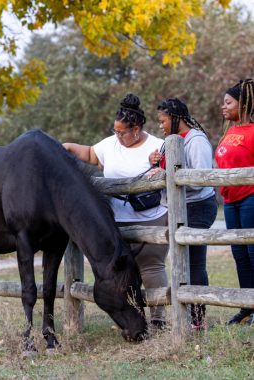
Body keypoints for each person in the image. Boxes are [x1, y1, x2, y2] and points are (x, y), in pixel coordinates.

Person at [63, 93, 169, 329]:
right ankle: (131, 315)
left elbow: (167, 172)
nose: (118, 136)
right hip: (116, 221)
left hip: (150, 218)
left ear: (137, 129)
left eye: (122, 132)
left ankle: (158, 317)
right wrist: (66, 148)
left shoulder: (157, 147)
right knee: (122, 274)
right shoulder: (111, 144)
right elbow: (91, 154)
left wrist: (159, 168)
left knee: (151, 267)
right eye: (116, 132)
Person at [149, 98, 218, 331]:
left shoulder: (196, 140)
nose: (161, 125)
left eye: (163, 120)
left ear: (176, 117)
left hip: (198, 206)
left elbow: (199, 179)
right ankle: (186, 313)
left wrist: (168, 174)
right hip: (178, 207)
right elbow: (168, 170)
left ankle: (198, 318)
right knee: (180, 262)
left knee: (194, 262)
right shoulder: (169, 142)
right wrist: (155, 164)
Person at [215, 79, 254, 326]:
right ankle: (246, 306)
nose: (223, 107)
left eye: (228, 102)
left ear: (244, 104)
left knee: (252, 253)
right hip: (230, 201)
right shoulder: (228, 132)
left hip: (250, 197)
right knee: (239, 255)